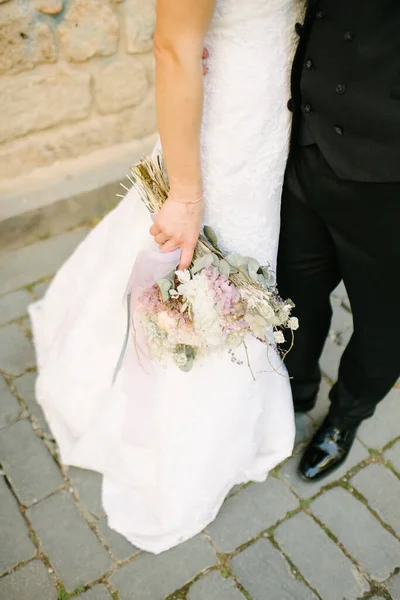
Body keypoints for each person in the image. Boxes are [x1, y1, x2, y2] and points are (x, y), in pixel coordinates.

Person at [29, 0, 301, 554]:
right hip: (223, 126)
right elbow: (172, 45)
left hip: (273, 110)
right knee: (204, 270)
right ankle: (182, 440)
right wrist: (184, 192)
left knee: (251, 260)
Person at [277, 0, 400, 481]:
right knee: (293, 292)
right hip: (307, 145)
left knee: (384, 324)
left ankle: (345, 416)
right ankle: (295, 390)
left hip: (389, 176)